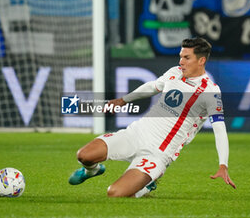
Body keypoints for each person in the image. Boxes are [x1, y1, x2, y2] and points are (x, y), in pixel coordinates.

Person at [68, 37, 236, 197]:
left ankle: (146, 186)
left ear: (201, 61)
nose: (181, 62)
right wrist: (123, 100)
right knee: (84, 155)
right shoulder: (175, 72)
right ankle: (92, 170)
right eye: (180, 57)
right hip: (135, 134)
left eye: (186, 58)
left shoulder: (210, 92)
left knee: (114, 193)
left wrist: (223, 164)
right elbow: (152, 86)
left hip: (158, 152)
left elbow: (220, 130)